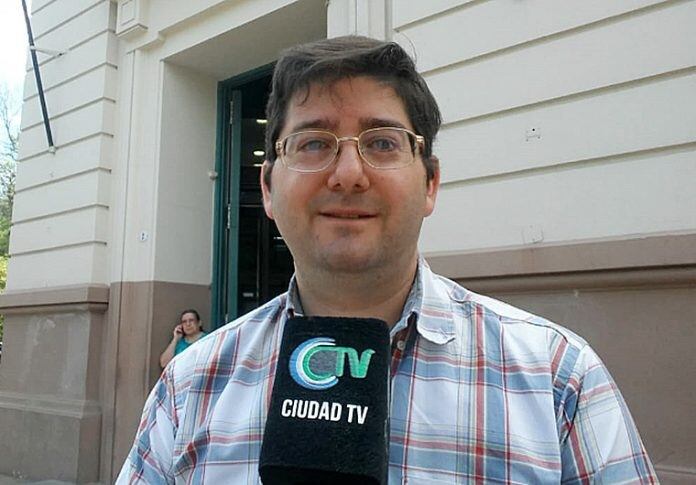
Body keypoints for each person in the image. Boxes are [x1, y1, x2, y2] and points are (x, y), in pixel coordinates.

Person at [118, 36, 657, 483]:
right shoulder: (189, 387)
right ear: (267, 186)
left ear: (430, 183)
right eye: (312, 143)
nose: (348, 173)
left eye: (381, 143)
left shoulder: (559, 378)